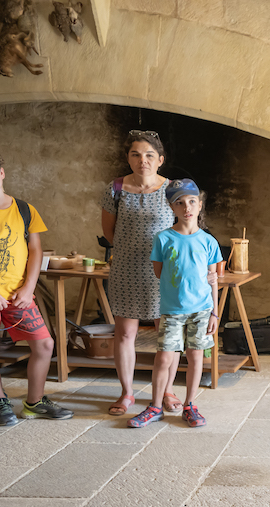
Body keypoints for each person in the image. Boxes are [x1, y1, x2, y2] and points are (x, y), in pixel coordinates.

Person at [101, 130, 182, 416]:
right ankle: (126, 393)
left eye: (149, 155)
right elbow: (109, 231)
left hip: (165, 271)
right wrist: (127, 250)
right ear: (129, 158)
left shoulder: (173, 189)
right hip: (126, 269)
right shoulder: (116, 188)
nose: (142, 160)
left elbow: (183, 226)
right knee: (125, 334)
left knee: (167, 335)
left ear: (160, 160)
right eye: (136, 155)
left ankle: (167, 390)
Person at [128, 179, 221, 428]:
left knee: (195, 356)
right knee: (164, 358)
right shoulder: (164, 239)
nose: (186, 207)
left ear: (199, 205)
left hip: (201, 310)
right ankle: (155, 406)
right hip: (171, 311)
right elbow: (159, 273)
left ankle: (190, 405)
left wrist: (216, 313)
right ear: (172, 207)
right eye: (179, 203)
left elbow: (213, 279)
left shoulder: (209, 242)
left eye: (191, 201)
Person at [0, 152, 74, 424]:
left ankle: (34, 402)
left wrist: (29, 287)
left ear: (2, 173)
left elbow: (35, 250)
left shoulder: (24, 209)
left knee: (44, 345)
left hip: (18, 295)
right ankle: (0, 403)